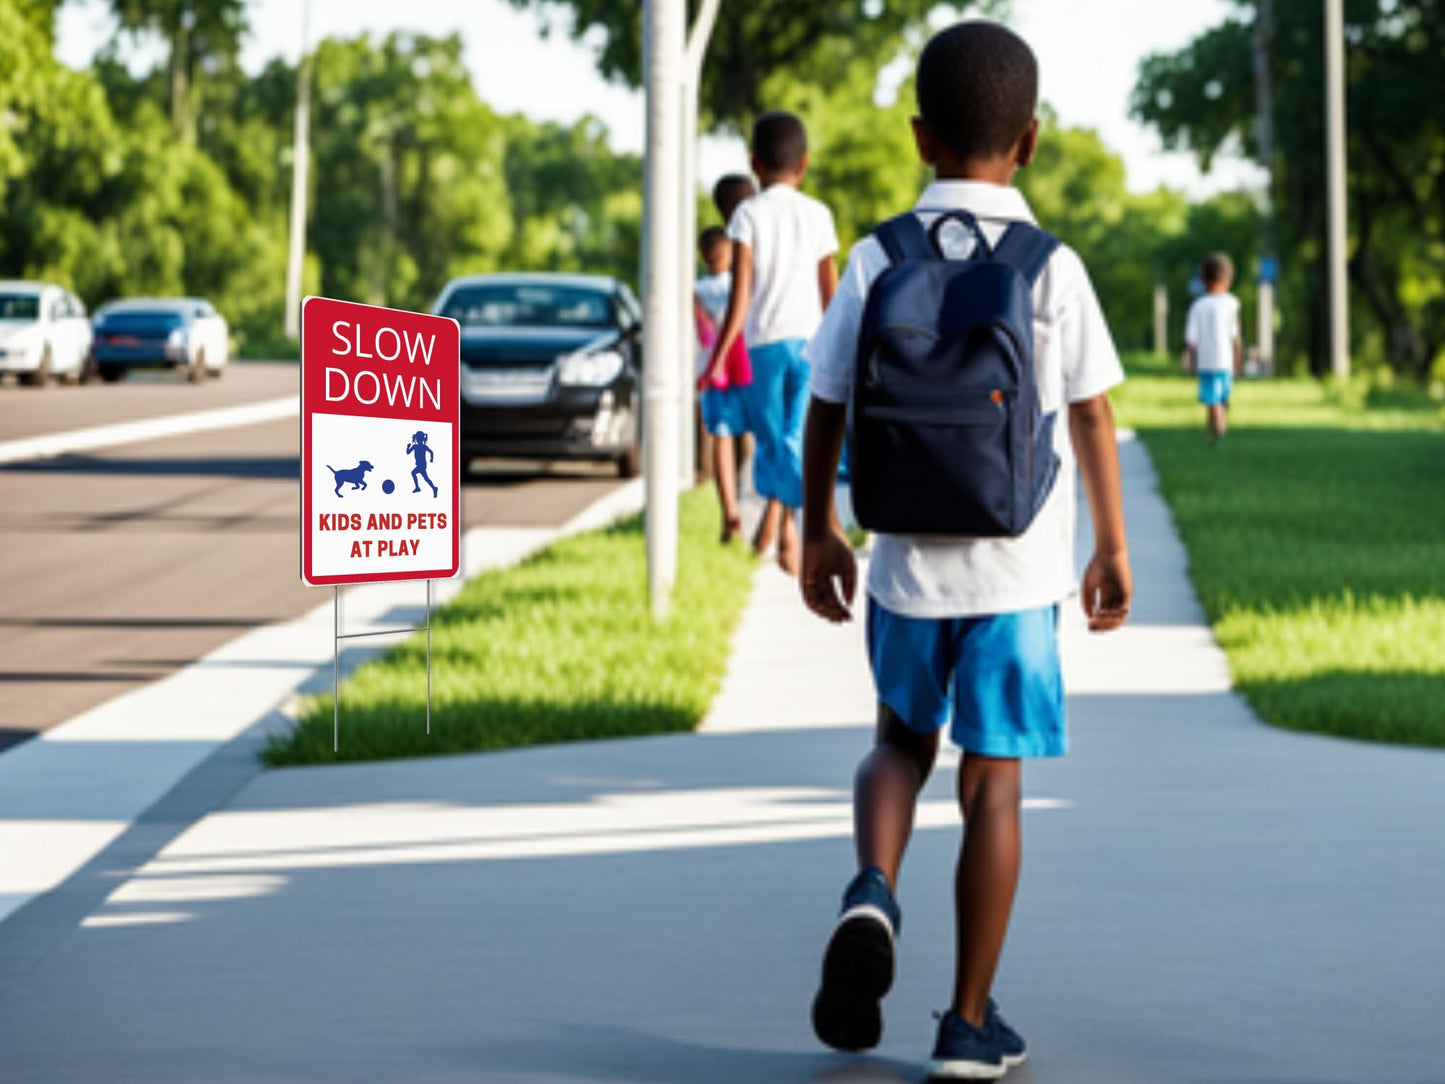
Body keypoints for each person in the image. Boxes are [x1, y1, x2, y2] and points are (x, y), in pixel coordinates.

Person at [798, 21, 1133, 1080]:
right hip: (1017, 574)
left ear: (916, 136)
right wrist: (1111, 548)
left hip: (902, 565)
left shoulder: (872, 255)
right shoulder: (1050, 266)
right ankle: (966, 1022)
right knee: (992, 784)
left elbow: (825, 403)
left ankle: (870, 890)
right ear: (1027, 141)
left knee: (898, 742)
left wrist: (816, 528)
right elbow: (1089, 416)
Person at [705, 114, 839, 575]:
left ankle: (795, 528)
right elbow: (832, 297)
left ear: (754, 164)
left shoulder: (747, 214)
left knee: (771, 444)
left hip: (762, 347)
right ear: (803, 165)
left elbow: (739, 296)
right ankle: (790, 531)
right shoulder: (819, 214)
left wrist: (718, 358)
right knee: (793, 439)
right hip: (811, 345)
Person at [694, 226, 750, 542]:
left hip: (714, 366)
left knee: (721, 436)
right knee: (748, 436)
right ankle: (739, 503)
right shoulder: (742, 282)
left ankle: (730, 509)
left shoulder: (697, 289)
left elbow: (702, 332)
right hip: (742, 361)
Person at [1184, 253, 1243, 444]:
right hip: (1225, 359)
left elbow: (1191, 340)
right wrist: (1237, 358)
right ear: (1228, 279)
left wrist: (1190, 360)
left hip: (1206, 361)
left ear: (1202, 279)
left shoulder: (1197, 306)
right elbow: (1235, 335)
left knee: (1211, 399)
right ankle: (1219, 425)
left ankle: (1213, 428)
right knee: (1222, 396)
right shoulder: (1232, 303)